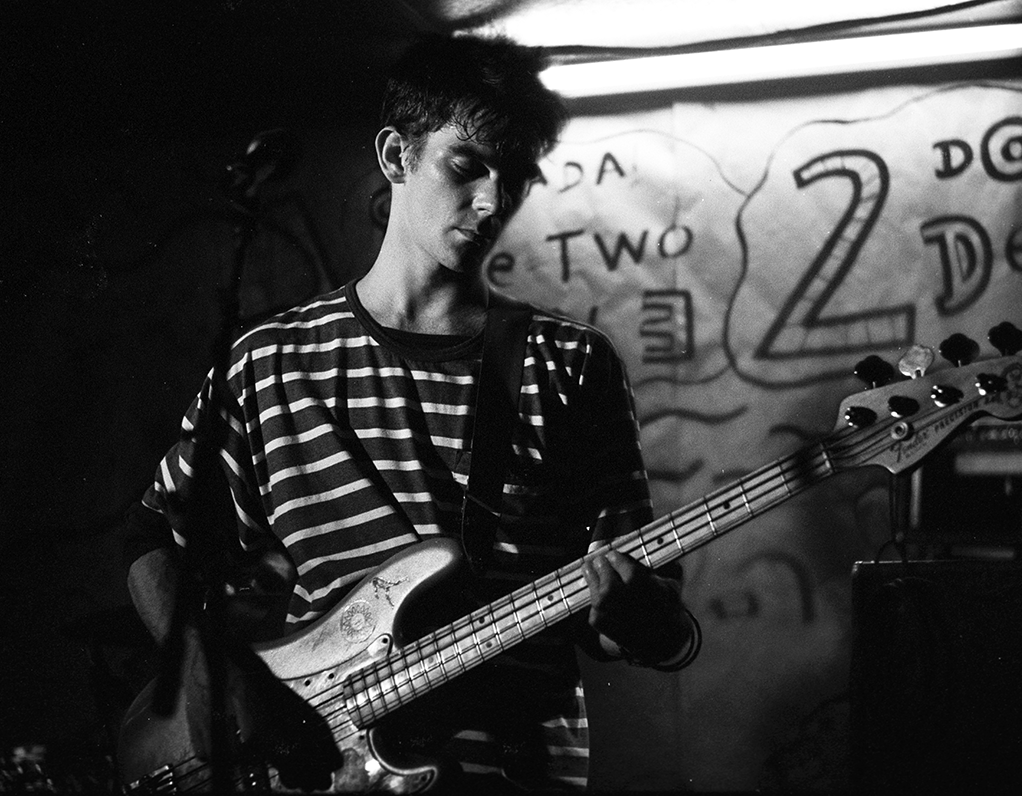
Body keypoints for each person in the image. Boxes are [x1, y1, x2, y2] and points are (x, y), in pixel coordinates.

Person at [122, 33, 699, 792]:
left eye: (514, 177)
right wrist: (213, 673)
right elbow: (153, 538)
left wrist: (645, 623)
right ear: (396, 155)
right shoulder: (270, 363)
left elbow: (649, 612)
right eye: (467, 165)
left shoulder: (571, 363)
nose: (492, 201)